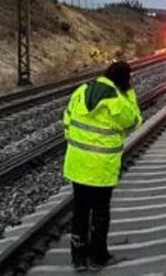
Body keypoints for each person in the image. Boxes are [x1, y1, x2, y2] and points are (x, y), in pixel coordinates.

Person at [62, 61, 142, 271]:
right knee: (100, 212)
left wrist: (77, 143)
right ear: (125, 80)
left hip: (77, 164)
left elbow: (67, 121)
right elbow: (134, 120)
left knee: (80, 211)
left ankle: (78, 259)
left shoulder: (81, 90)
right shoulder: (117, 100)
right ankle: (99, 257)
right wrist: (130, 94)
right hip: (101, 168)